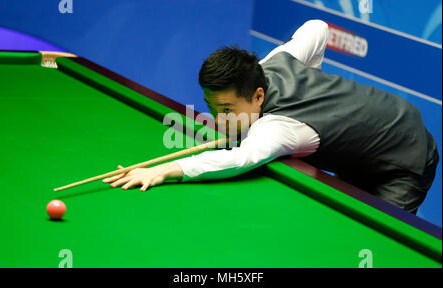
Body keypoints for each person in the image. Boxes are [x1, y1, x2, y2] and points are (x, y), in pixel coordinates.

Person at [103, 20, 439, 215]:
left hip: (405, 158)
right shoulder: (272, 63)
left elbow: (239, 159)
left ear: (259, 96)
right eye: (212, 106)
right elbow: (317, 28)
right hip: (365, 144)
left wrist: (163, 170)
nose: (219, 121)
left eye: (227, 111)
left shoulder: (280, 128)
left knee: (375, 248)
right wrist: (313, 80)